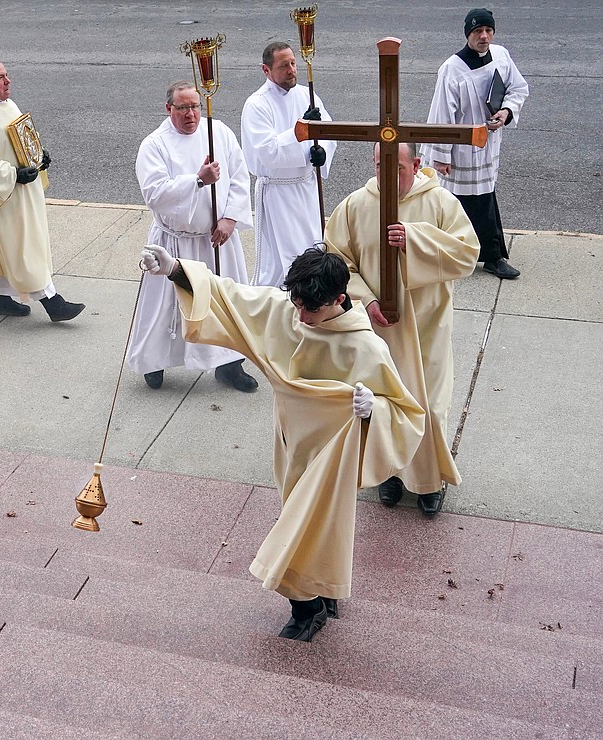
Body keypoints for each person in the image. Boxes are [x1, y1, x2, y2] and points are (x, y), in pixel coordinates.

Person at [139, 243, 424, 642]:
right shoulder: (289, 312)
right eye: (297, 305)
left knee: (305, 524)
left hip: (332, 455)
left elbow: (407, 414)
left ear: (340, 300)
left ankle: (304, 608)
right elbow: (230, 296)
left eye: (312, 310)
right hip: (291, 444)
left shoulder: (366, 346)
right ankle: (324, 592)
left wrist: (373, 407)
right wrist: (176, 271)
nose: (303, 318)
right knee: (311, 522)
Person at [325, 142, 479, 516]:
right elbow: (338, 261)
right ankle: (390, 474)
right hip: (380, 327)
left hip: (427, 323)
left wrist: (416, 239)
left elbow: (467, 254)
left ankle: (429, 481)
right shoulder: (355, 205)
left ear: (418, 164)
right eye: (380, 166)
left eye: (398, 168)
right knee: (385, 403)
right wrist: (367, 300)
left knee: (429, 405)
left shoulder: (441, 203)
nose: (387, 175)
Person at [128, 80, 257, 392]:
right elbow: (155, 194)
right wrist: (198, 180)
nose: (191, 114)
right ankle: (153, 361)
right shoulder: (155, 144)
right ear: (169, 108)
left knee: (223, 302)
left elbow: (239, 176)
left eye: (195, 106)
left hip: (216, 238)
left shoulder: (219, 132)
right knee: (166, 306)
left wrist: (229, 218)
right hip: (173, 243)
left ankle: (229, 365)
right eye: (183, 107)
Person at [0, 59, 84, 321]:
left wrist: (38, 156)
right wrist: (14, 174)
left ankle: (0, 297)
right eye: (1, 78)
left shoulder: (8, 105)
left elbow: (22, 138)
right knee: (23, 250)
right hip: (1, 197)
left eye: (6, 75)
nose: (8, 81)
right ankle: (52, 302)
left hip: (22, 192)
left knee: (14, 248)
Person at [422, 7, 528, 280]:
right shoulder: (452, 69)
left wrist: (506, 112)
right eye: (478, 31)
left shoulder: (501, 56)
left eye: (488, 30)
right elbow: (442, 113)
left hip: (489, 145)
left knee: (483, 197)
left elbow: (518, 88)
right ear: (468, 33)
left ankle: (482, 254)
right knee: (464, 202)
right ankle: (488, 256)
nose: (484, 37)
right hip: (463, 151)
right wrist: (441, 155)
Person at [240, 41, 336, 288]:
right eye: (284, 66)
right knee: (283, 259)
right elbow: (267, 151)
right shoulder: (257, 104)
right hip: (279, 194)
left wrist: (321, 151)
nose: (292, 69)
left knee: (312, 246)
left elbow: (328, 131)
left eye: (293, 63)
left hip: (307, 188)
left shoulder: (307, 95)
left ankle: (313, 296)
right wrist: (301, 129)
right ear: (266, 70)